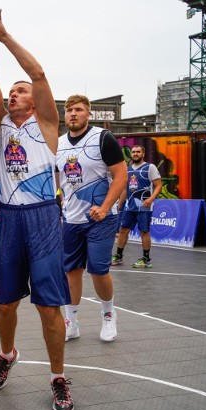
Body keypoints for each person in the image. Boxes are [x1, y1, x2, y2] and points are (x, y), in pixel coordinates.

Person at [0, 2, 73, 410]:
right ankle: (7, 353)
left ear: (34, 100)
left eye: (20, 91)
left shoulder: (46, 123)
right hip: (9, 219)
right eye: (11, 92)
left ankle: (58, 377)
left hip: (45, 216)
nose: (13, 94)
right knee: (5, 303)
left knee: (49, 306)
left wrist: (4, 35)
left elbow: (39, 74)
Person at [55, 94, 127, 343]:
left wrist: (106, 207)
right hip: (71, 219)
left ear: (88, 113)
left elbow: (120, 176)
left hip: (101, 217)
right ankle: (71, 321)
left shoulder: (103, 138)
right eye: (69, 110)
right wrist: (59, 200)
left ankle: (108, 315)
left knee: (98, 269)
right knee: (71, 272)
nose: (73, 114)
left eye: (78, 110)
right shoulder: (58, 143)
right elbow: (58, 177)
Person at [111, 145, 162, 268]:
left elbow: (158, 185)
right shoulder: (127, 170)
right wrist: (120, 203)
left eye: (138, 152)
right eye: (133, 152)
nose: (135, 154)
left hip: (144, 206)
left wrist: (151, 199)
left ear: (143, 154)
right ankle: (118, 257)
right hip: (130, 206)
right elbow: (124, 189)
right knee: (123, 230)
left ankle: (146, 259)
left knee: (144, 231)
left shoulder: (150, 167)